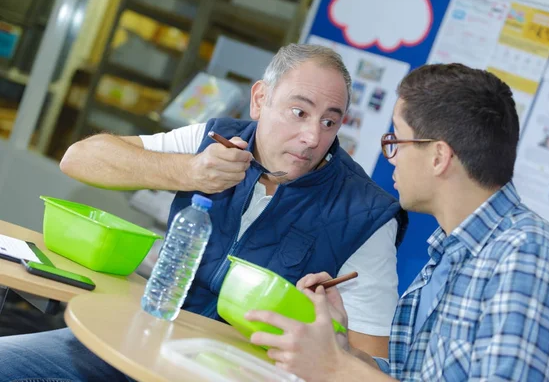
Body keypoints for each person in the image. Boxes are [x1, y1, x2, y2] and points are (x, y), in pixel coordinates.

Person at [0, 44, 408, 381]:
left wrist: (331, 344)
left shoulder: (368, 214)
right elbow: (79, 159)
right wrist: (188, 170)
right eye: (299, 112)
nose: (311, 137)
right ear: (260, 100)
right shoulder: (214, 138)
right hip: (139, 340)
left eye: (330, 122)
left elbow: (374, 365)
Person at [245, 63, 549, 381]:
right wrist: (339, 349)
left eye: (396, 139)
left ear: (439, 157)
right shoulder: (452, 252)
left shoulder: (526, 254)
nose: (390, 156)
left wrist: (337, 368)